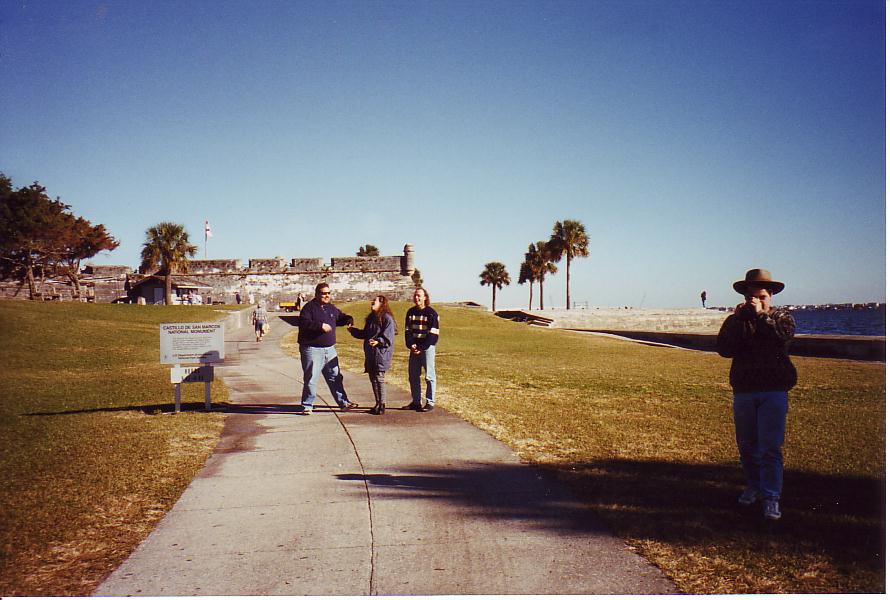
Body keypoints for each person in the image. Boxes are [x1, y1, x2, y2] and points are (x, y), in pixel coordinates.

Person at [717, 268, 797, 521]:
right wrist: (738, 321)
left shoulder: (782, 317)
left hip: (773, 390)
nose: (758, 301)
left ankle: (771, 497)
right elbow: (724, 349)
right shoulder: (737, 320)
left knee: (770, 447)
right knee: (747, 446)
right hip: (744, 391)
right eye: (753, 297)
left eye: (762, 296)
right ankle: (754, 486)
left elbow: (782, 337)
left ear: (771, 295)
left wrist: (762, 316)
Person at [296, 283, 357, 414]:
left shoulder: (331, 308)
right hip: (312, 349)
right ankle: (307, 405)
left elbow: (339, 318)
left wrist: (348, 319)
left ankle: (343, 403)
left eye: (328, 293)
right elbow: (304, 323)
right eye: (324, 293)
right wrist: (320, 326)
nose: (327, 296)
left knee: (335, 377)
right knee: (312, 378)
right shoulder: (309, 308)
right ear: (317, 294)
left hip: (329, 350)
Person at [348, 295, 396, 415]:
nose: (372, 302)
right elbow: (365, 334)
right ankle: (377, 403)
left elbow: (388, 337)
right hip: (370, 354)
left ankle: (382, 404)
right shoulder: (371, 318)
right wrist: (353, 331)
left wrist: (378, 341)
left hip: (381, 354)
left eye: (375, 301)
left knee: (379, 378)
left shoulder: (387, 318)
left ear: (382, 303)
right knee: (373, 379)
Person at [404, 287, 439, 412]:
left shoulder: (431, 313)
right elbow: (408, 331)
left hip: (427, 348)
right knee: (413, 376)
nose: (416, 298)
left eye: (419, 295)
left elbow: (433, 334)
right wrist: (411, 345)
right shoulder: (410, 312)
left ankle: (430, 402)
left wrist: (421, 347)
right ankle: (416, 401)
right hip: (414, 348)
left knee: (429, 376)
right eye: (415, 295)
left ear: (425, 297)